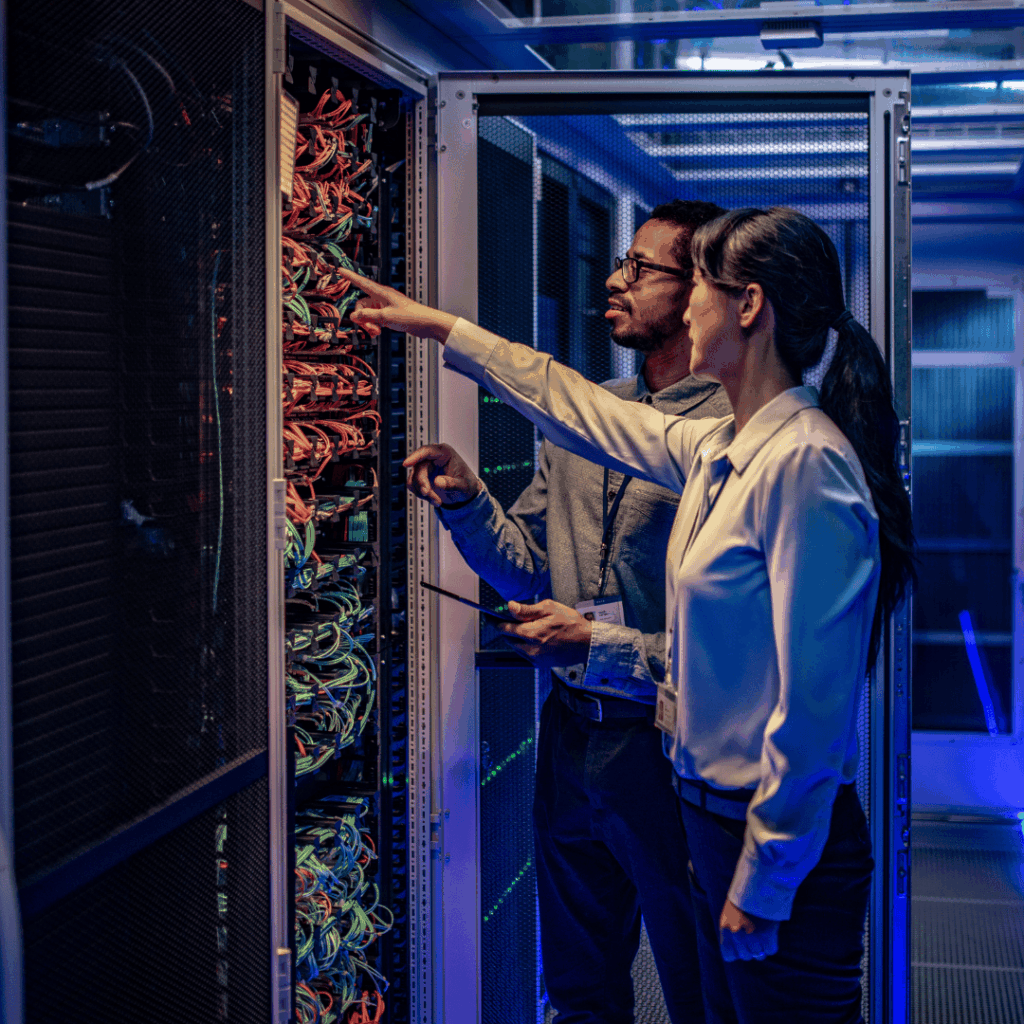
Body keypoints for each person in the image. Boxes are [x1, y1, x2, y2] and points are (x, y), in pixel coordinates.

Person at [339, 205, 916, 1024]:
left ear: (747, 306)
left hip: (769, 840)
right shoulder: (723, 451)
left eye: (699, 290)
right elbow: (574, 406)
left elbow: (817, 709)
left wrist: (766, 878)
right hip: (710, 818)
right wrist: (440, 329)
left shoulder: (806, 466)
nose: (686, 311)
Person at [402, 201, 728, 1024]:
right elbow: (527, 572)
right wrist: (469, 502)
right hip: (572, 736)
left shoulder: (732, 439)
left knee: (699, 987)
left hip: (669, 745)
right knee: (579, 990)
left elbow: (738, 652)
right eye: (621, 261)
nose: (614, 281)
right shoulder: (581, 424)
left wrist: (600, 642)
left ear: (699, 293)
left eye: (642, 268)